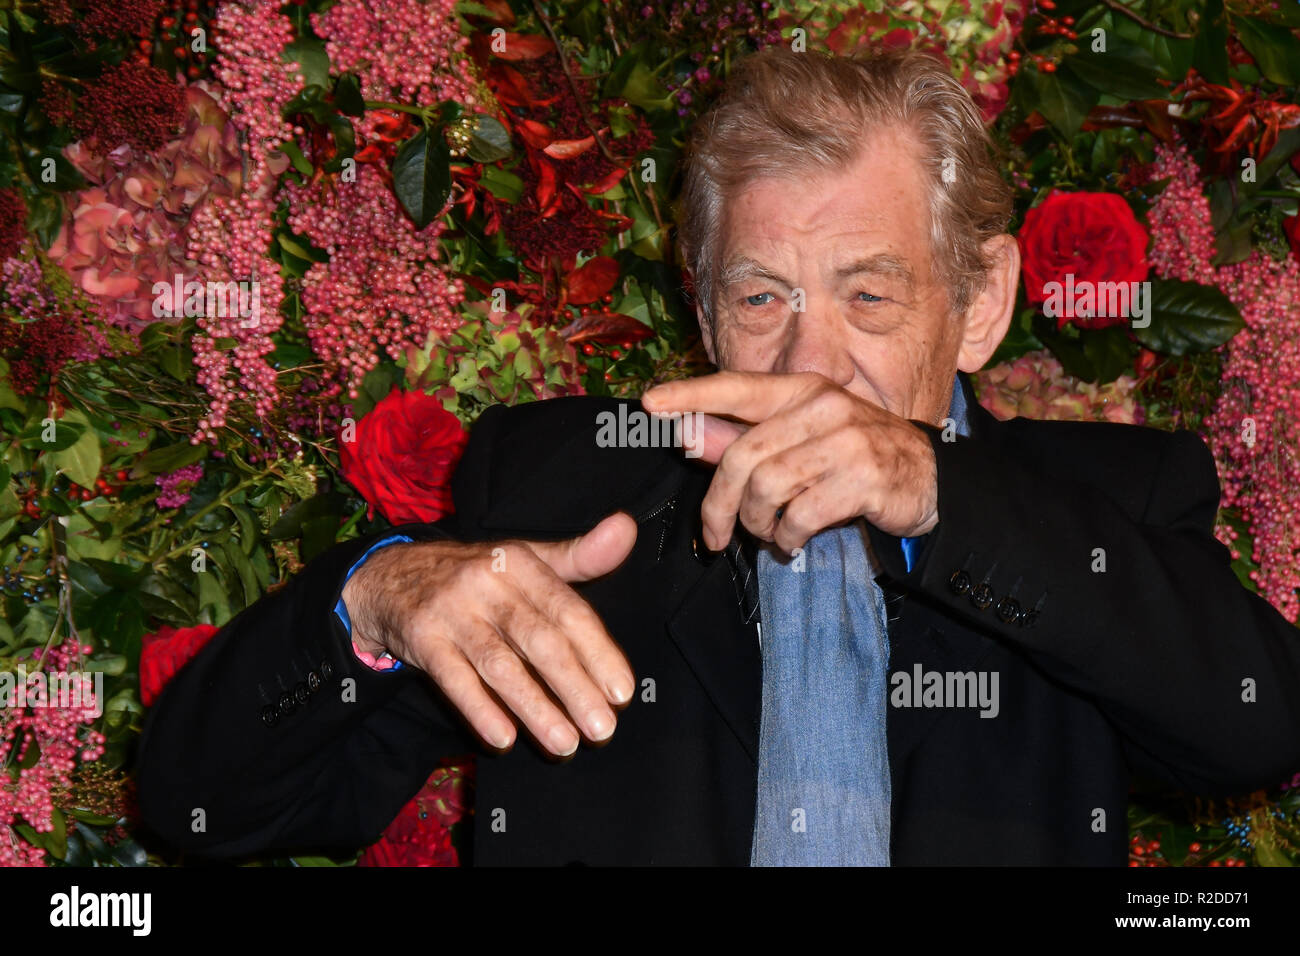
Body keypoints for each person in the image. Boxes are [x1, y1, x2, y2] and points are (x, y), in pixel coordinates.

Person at [135, 46, 1300, 866]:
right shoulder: (559, 488)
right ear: (701, 308)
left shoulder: (1105, 501)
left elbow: (1253, 721)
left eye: (870, 294)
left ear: (981, 300)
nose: (809, 363)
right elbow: (196, 806)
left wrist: (939, 497)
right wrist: (374, 602)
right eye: (760, 295)